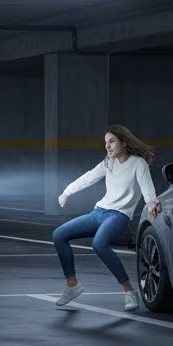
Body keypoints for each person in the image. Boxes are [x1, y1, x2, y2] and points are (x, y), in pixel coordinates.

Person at [52, 124, 162, 312]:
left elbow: (147, 190)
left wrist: (152, 203)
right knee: (59, 235)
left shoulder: (138, 164)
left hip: (119, 215)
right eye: (106, 143)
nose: (107, 146)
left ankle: (129, 291)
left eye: (111, 142)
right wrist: (67, 192)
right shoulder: (108, 163)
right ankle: (72, 286)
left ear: (124, 142)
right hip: (99, 212)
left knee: (99, 243)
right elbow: (89, 177)